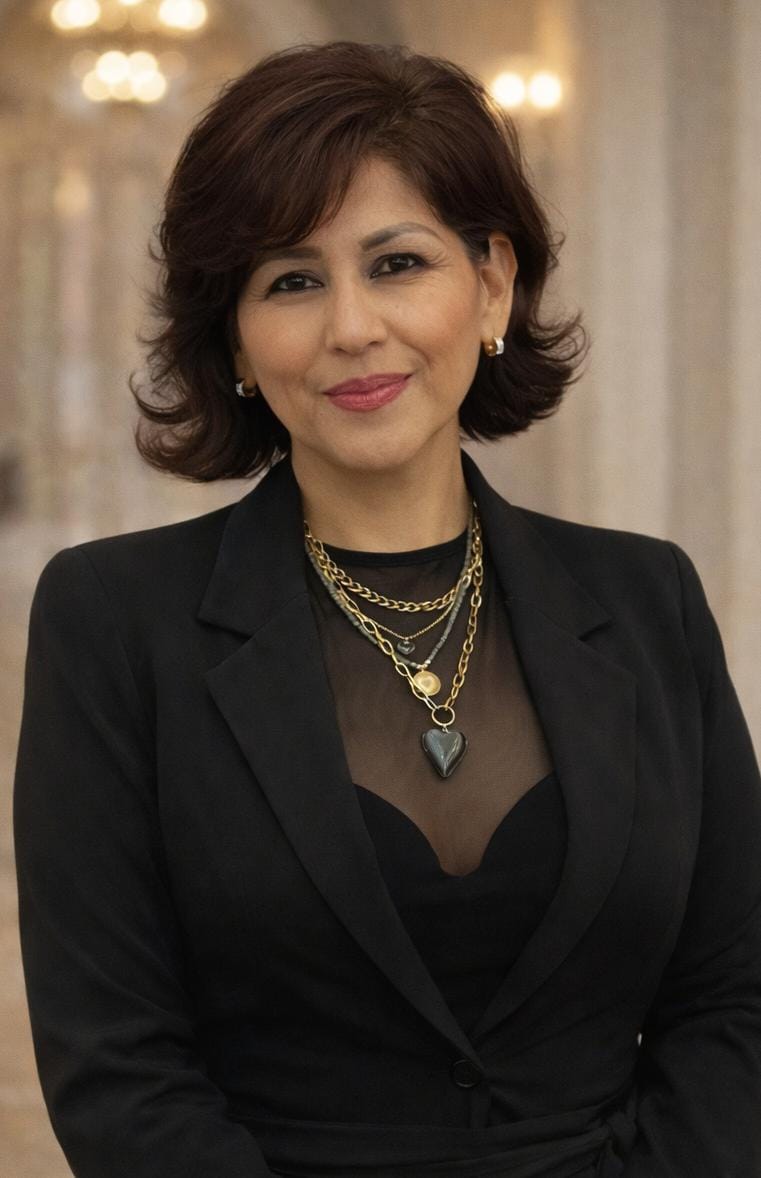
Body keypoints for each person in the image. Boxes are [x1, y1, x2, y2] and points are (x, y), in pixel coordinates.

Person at [12, 38, 761, 1178]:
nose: (352, 327)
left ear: (491, 284)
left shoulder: (645, 595)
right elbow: (117, 1067)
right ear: (236, 341)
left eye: (397, 262)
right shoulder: (112, 619)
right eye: (291, 281)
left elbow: (734, 997)